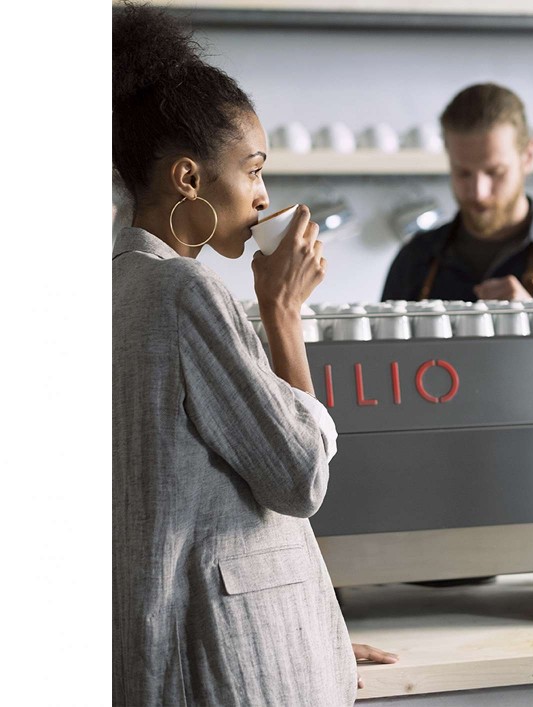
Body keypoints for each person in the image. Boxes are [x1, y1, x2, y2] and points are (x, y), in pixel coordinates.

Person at [112, 4, 396, 705]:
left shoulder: (117, 282)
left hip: (164, 645)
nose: (263, 194)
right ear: (188, 179)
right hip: (219, 666)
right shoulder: (185, 293)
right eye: (252, 168)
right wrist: (283, 311)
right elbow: (298, 476)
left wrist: (305, 624)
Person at [382, 83, 533, 409]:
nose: (478, 191)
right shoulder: (414, 259)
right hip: (433, 458)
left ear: (527, 156)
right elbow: (384, 387)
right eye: (463, 173)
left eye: (494, 172)